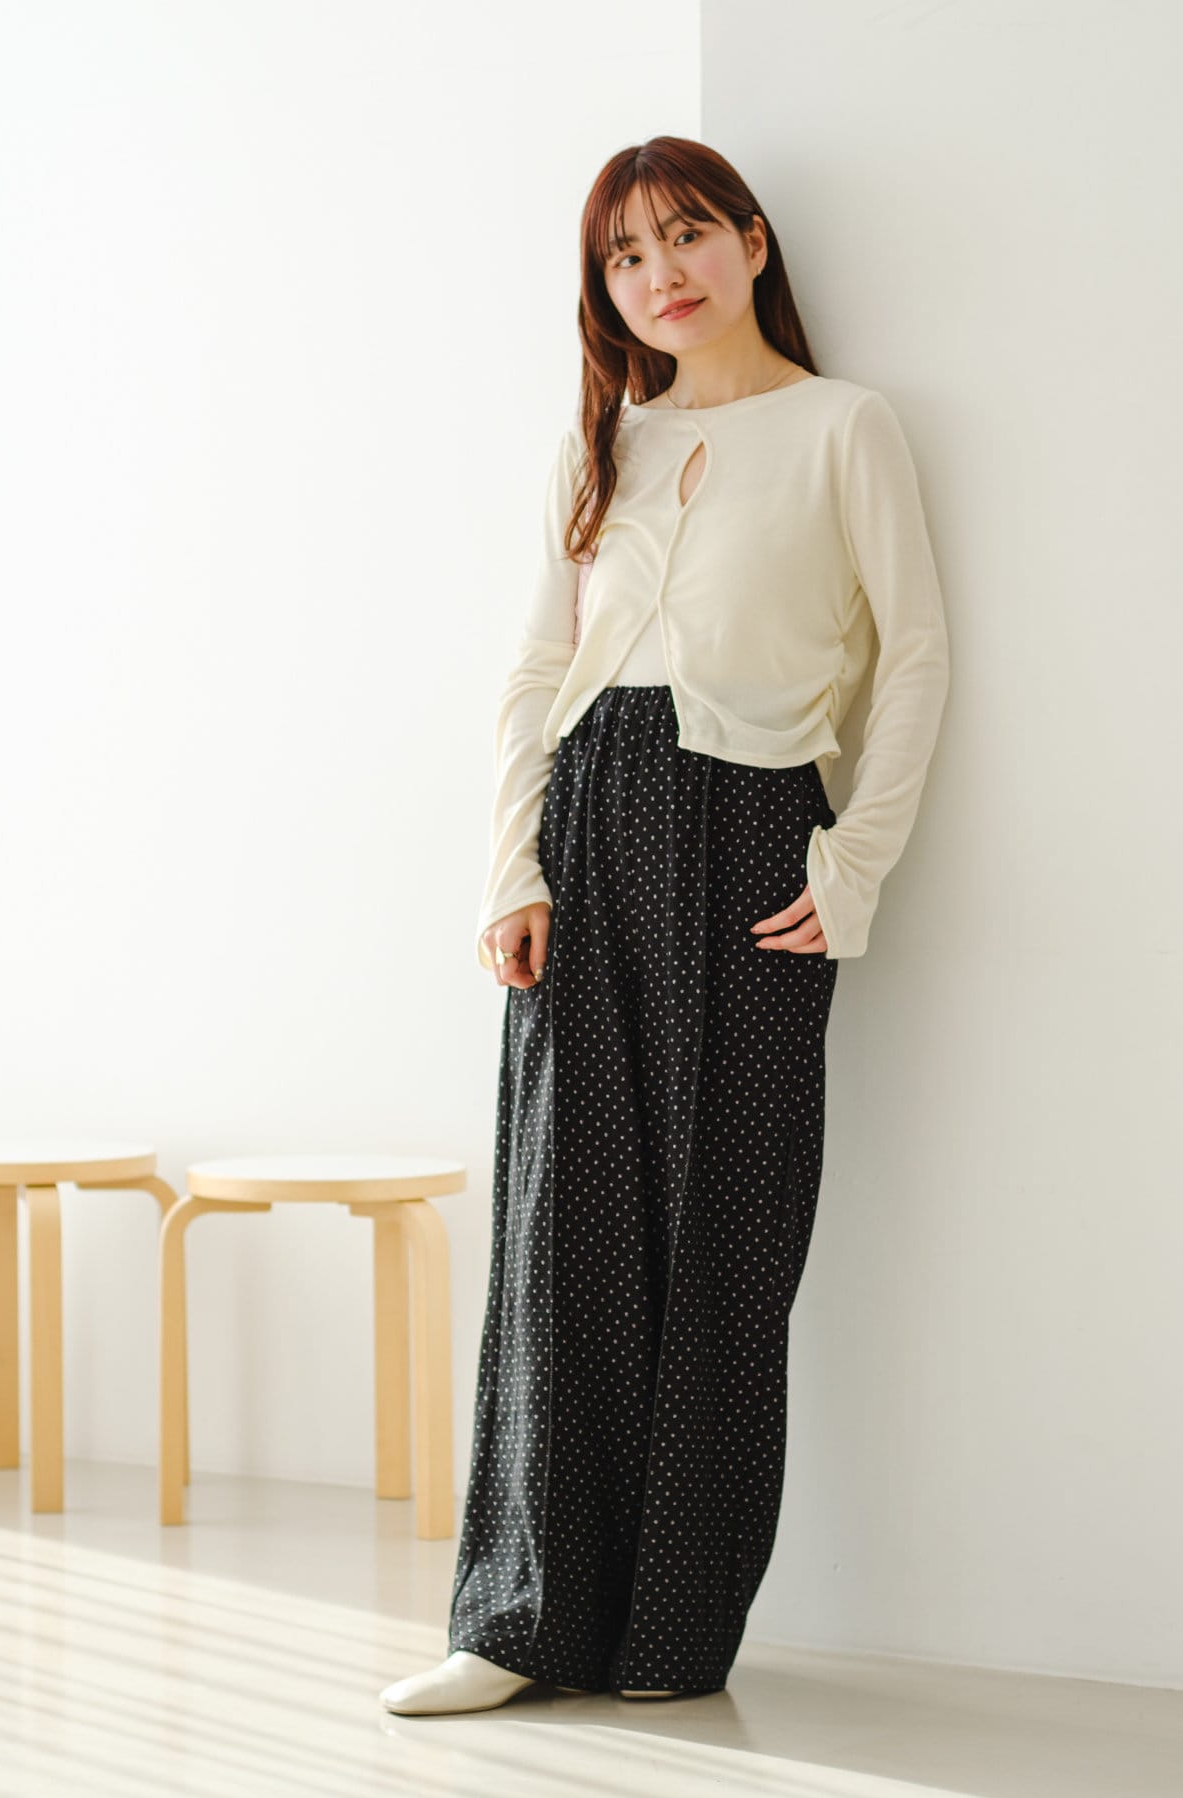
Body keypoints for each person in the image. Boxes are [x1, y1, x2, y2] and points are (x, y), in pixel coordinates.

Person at [380, 134, 950, 1717]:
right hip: (587, 830)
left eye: (685, 235)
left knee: (724, 1244)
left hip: (756, 835)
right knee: (561, 1236)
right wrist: (511, 872)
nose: (660, 274)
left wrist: (854, 866)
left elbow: (915, 656)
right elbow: (531, 675)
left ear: (752, 242)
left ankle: (670, 1635)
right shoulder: (600, 444)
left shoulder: (844, 428)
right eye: (625, 257)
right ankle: (517, 1622)